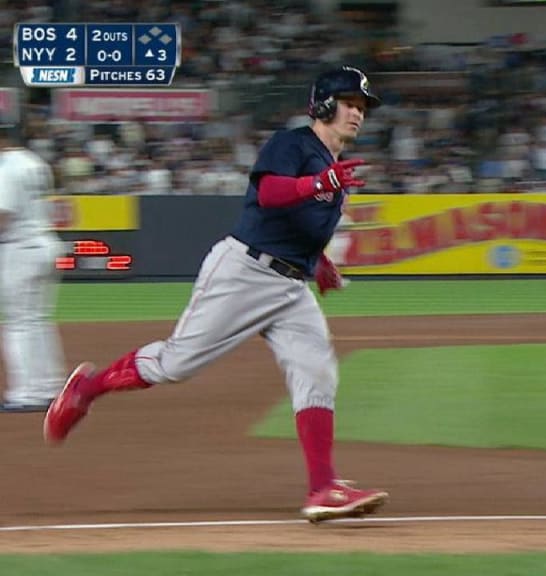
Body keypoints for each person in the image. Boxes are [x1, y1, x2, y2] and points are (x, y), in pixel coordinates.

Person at [44, 66, 389, 523]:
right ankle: (87, 388)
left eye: (362, 107)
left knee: (316, 371)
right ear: (324, 104)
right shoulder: (294, 144)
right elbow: (270, 194)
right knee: (177, 363)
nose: (358, 113)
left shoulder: (331, 166)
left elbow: (300, 225)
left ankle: (323, 487)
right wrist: (319, 184)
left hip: (290, 286)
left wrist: (320, 264)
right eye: (350, 103)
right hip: (244, 272)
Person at [0, 124, 67, 412]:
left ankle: (27, 393)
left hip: (21, 248)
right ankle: (50, 386)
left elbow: (4, 213)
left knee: (19, 323)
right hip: (45, 243)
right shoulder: (34, 162)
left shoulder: (7, 167)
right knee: (37, 320)